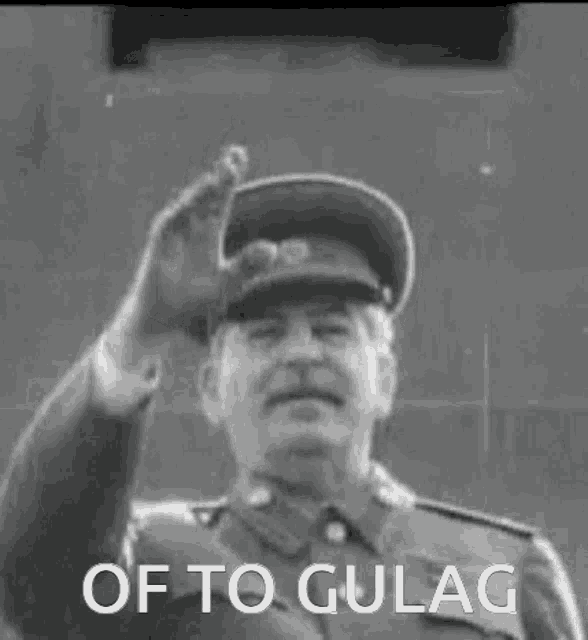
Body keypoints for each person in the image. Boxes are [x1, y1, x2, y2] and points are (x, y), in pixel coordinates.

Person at [0, 145, 584, 639]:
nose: (302, 354)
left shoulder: (506, 572)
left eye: (332, 330)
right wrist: (138, 335)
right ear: (211, 390)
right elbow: (33, 580)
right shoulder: (148, 560)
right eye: (265, 334)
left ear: (385, 380)